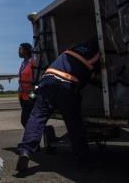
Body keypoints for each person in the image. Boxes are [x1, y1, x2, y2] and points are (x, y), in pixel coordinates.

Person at [16, 38, 101, 172]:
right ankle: (82, 158)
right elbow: (90, 77)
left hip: (46, 81)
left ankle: (25, 151)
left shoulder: (70, 51)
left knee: (36, 118)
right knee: (74, 123)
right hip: (66, 85)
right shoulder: (96, 54)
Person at [18, 43, 35, 128]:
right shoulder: (23, 63)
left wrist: (33, 95)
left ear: (26, 51)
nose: (18, 51)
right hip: (22, 96)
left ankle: (33, 136)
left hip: (30, 96)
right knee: (27, 120)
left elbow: (38, 80)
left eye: (20, 49)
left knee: (25, 120)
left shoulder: (33, 62)